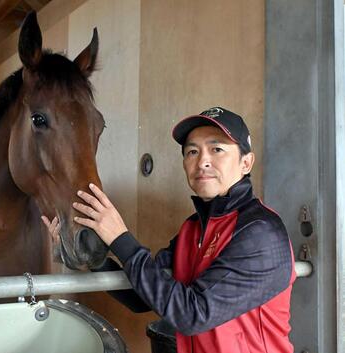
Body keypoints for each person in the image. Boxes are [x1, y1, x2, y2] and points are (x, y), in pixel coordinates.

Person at [42, 107, 295, 353]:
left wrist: (120, 238)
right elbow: (144, 297)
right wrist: (94, 258)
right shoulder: (192, 229)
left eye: (217, 149)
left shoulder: (260, 232)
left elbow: (194, 314)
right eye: (192, 152)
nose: (203, 161)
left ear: (246, 163)